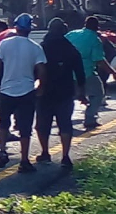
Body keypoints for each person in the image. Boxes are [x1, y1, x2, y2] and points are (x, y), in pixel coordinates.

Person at [0, 14, 46, 173]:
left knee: (3, 122)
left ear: (16, 27)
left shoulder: (4, 44)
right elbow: (42, 70)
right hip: (27, 91)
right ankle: (24, 160)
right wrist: (41, 86)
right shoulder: (35, 47)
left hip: (7, 90)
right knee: (25, 126)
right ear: (29, 29)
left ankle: (2, 150)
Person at [35, 18, 87, 171]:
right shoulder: (71, 49)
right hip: (66, 91)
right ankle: (65, 156)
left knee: (42, 125)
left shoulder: (42, 47)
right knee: (65, 124)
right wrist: (82, 92)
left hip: (45, 91)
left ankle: (45, 152)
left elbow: (34, 70)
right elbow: (80, 73)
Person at [66, 17, 116, 130]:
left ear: (85, 24)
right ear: (97, 28)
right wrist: (114, 72)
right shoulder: (95, 39)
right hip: (86, 72)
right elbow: (99, 60)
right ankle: (90, 119)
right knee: (98, 94)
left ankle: (64, 120)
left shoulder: (72, 34)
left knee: (67, 98)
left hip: (68, 72)